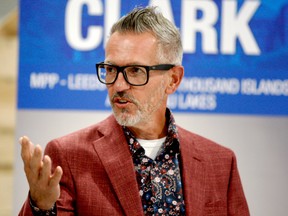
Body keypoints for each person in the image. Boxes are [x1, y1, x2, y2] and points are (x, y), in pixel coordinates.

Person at [19, 6, 249, 216]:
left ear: (173, 79)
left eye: (136, 70)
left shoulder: (220, 162)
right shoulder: (69, 155)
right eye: (111, 69)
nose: (118, 85)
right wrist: (41, 206)